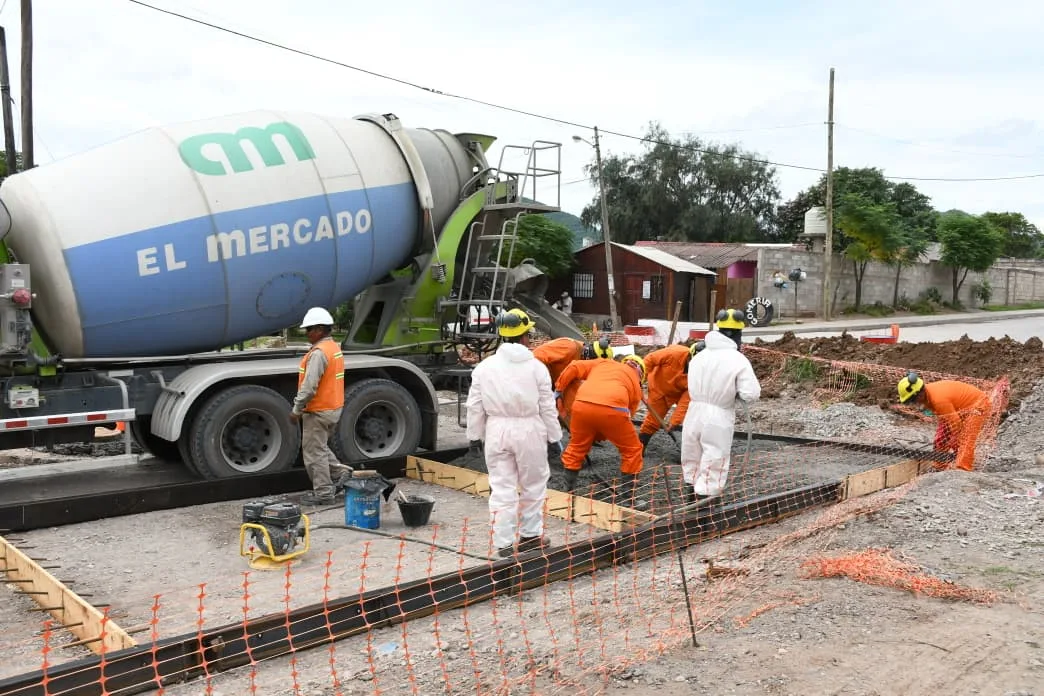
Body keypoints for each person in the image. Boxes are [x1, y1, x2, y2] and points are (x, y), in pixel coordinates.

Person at [465, 308, 563, 558]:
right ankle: (530, 536)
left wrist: (474, 436)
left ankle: (504, 544)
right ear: (525, 336)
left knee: (501, 487)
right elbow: (547, 406)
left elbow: (475, 405)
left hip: (496, 430)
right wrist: (555, 438)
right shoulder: (537, 368)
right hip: (530, 429)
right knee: (533, 485)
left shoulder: (484, 368)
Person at [680, 309, 761, 505]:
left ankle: (689, 500)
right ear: (736, 334)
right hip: (718, 415)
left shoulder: (699, 356)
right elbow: (751, 394)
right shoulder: (737, 359)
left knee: (692, 454)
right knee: (714, 458)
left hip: (693, 411)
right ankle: (705, 513)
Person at [556, 354, 647, 506]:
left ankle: (568, 493)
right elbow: (626, 417)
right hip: (614, 408)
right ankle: (628, 500)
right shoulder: (636, 386)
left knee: (576, 448)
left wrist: (559, 389)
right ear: (641, 374)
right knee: (632, 450)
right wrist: (603, 433)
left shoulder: (604, 363)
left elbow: (574, 366)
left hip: (581, 404)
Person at [290, 307, 351, 505]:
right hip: (332, 408)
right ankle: (343, 473)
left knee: (313, 452)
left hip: (318, 411)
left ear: (319, 329)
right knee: (320, 448)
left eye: (309, 330)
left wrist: (296, 409)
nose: (307, 334)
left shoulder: (318, 353)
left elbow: (309, 387)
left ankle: (324, 494)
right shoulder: (333, 348)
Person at [897, 373, 991, 472]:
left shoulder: (938, 400)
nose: (914, 403)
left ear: (919, 393)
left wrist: (954, 441)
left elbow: (956, 424)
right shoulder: (927, 395)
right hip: (957, 408)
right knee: (941, 438)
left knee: (965, 439)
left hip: (978, 405)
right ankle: (939, 466)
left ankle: (962, 470)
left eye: (913, 399)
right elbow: (948, 418)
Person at [533, 335, 613, 425]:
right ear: (591, 357)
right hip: (536, 382)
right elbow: (535, 357)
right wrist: (544, 386)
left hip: (555, 384)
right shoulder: (569, 347)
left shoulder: (580, 360)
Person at [638, 341, 698, 451]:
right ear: (690, 356)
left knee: (692, 416)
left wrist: (674, 422)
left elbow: (686, 400)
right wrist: (639, 379)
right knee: (653, 421)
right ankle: (639, 447)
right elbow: (649, 360)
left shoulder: (700, 375)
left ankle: (691, 447)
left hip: (677, 394)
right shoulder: (674, 353)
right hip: (658, 387)